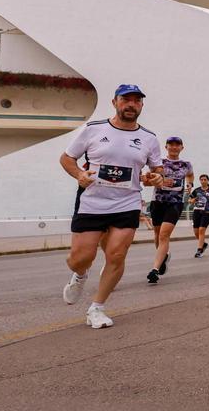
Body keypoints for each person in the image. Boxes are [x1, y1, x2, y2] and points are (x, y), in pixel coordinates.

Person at [59, 84, 164, 328]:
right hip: (92, 201)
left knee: (116, 254)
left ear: (141, 105)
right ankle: (80, 273)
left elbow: (157, 170)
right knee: (80, 257)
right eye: (126, 99)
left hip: (127, 202)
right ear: (114, 102)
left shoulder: (148, 138)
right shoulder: (94, 129)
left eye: (136, 100)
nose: (131, 104)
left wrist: (156, 177)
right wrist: (78, 175)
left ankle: (97, 307)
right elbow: (66, 158)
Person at [146, 137, 193, 283]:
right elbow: (148, 180)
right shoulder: (159, 164)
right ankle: (164, 256)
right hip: (158, 201)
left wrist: (190, 184)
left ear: (181, 148)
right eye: (171, 145)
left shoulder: (186, 164)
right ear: (166, 147)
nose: (174, 147)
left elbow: (190, 175)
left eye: (177, 145)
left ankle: (155, 269)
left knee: (164, 235)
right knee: (157, 234)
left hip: (175, 203)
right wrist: (157, 181)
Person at [189, 174, 209, 257]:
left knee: (201, 230)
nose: (203, 181)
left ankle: (199, 251)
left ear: (208, 181)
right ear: (200, 181)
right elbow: (190, 200)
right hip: (197, 212)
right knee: (196, 232)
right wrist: (194, 199)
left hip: (207, 212)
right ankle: (204, 244)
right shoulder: (196, 190)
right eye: (201, 180)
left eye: (205, 179)